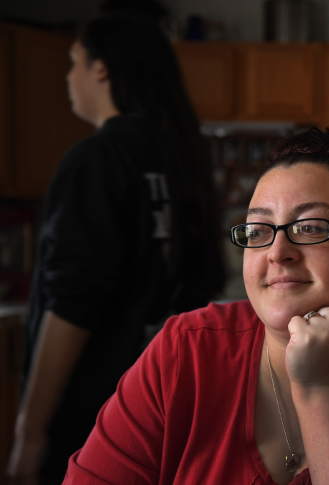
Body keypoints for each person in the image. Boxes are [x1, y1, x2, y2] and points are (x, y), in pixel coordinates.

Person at [62, 127, 329, 485]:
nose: (278, 252)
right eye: (258, 231)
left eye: (311, 226)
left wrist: (321, 389)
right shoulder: (186, 350)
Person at [7, 14, 226, 485]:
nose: (69, 78)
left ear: (101, 69)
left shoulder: (96, 159)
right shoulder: (185, 160)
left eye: (73, 63)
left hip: (94, 420)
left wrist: (30, 432)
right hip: (166, 406)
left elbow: (73, 303)